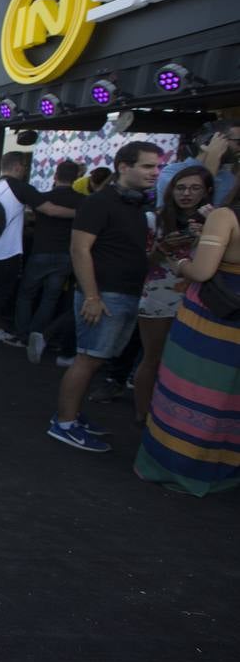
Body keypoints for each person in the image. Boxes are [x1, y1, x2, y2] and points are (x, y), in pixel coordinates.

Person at [49, 141, 162, 452]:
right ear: (124, 167)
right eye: (147, 166)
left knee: (95, 360)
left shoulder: (135, 205)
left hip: (122, 293)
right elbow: (79, 249)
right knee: (87, 359)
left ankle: (70, 416)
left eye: (157, 166)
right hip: (105, 295)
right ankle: (65, 422)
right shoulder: (100, 203)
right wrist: (92, 296)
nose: (155, 172)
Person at [134, 178, 240, 495]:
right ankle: (220, 472)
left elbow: (203, 272)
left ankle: (174, 468)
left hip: (210, 320)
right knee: (230, 398)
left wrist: (179, 262)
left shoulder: (225, 216)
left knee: (191, 390)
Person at [0, 151, 76, 349]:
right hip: (6, 253)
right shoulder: (22, 189)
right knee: (0, 294)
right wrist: (82, 212)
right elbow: (51, 210)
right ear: (17, 167)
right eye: (24, 167)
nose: (25, 170)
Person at [131, 166, 212, 422]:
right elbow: (142, 262)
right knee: (152, 357)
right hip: (159, 295)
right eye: (180, 187)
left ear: (207, 191)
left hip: (200, 298)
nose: (186, 193)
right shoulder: (154, 219)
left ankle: (176, 418)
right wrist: (164, 247)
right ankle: (142, 415)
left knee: (189, 362)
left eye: (194, 188)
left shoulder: (216, 220)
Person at [15, 160, 85, 362]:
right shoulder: (82, 201)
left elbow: (31, 218)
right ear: (76, 177)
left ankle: (22, 334)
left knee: (26, 294)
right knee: (50, 298)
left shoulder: (42, 198)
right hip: (65, 254)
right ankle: (37, 334)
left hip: (41, 251)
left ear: (55, 175)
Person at [155, 119, 237, 209]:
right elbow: (191, 209)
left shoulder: (228, 178)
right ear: (209, 141)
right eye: (239, 142)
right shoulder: (172, 172)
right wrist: (213, 158)